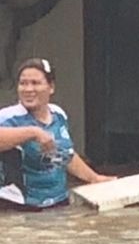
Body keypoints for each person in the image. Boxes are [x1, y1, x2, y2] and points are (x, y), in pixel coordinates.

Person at [0, 58, 114, 210]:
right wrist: (33, 132)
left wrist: (94, 178)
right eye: (23, 83)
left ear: (51, 87)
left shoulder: (58, 114)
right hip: (18, 206)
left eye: (35, 83)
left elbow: (65, 156)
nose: (28, 89)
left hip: (59, 202)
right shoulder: (8, 117)